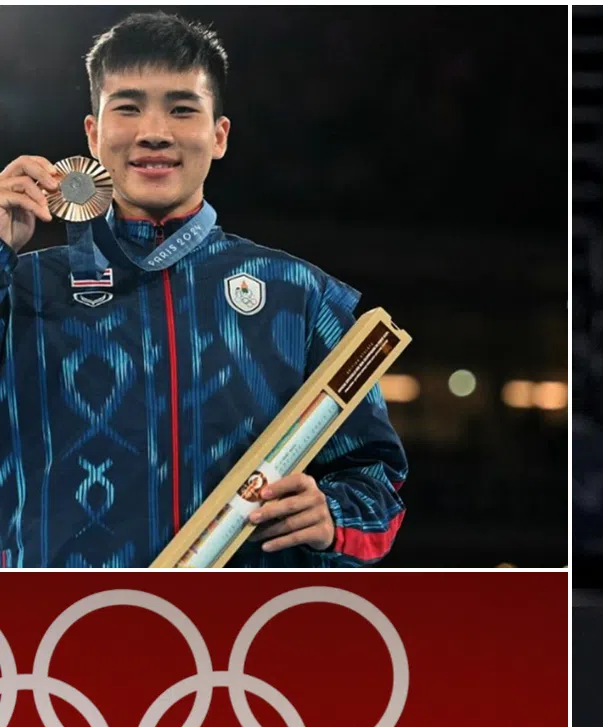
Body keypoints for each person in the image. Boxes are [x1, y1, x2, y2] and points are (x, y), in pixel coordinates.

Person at [0, 13, 407, 567]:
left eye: (182, 108)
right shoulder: (24, 288)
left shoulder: (301, 297)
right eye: (128, 106)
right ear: (93, 134)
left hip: (238, 642)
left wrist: (333, 514)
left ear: (218, 136)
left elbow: (376, 486)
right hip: (58, 637)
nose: (155, 131)